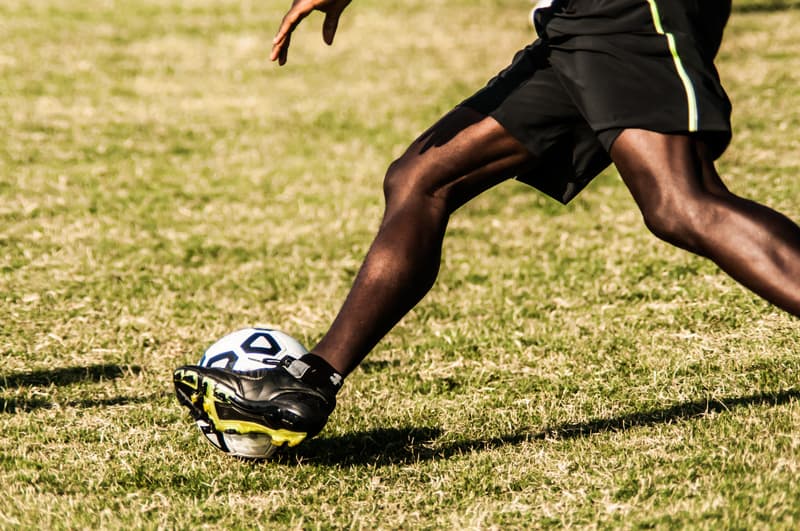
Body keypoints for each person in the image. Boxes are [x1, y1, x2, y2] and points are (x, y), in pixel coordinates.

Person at [173, 0, 800, 450]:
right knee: (420, 179)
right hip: (578, 21)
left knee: (681, 202)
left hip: (627, 9)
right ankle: (310, 383)